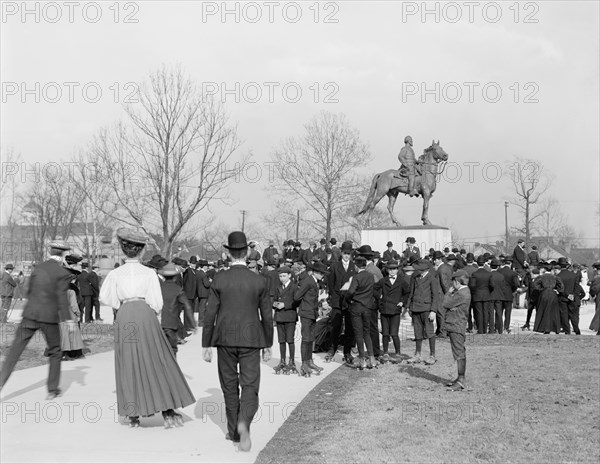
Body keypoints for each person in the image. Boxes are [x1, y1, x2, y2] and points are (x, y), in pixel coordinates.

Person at [100, 228, 195, 428]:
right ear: (141, 251)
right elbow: (157, 302)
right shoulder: (149, 273)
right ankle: (167, 410)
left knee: (128, 361)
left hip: (126, 314)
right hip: (145, 313)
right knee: (157, 359)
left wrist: (122, 304)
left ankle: (133, 414)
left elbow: (106, 298)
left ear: (124, 250)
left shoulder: (115, 273)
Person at [202, 231, 273, 451]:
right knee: (250, 386)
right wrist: (268, 343)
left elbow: (210, 313)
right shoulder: (259, 280)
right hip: (252, 339)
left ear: (229, 253)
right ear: (247, 252)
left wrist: (206, 344)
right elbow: (267, 315)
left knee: (229, 386)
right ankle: (245, 423)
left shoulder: (219, 279)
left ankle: (234, 431)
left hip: (224, 339)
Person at [0, 242, 76, 399]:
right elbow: (62, 298)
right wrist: (68, 320)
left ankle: (1, 382)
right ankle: (52, 390)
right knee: (55, 351)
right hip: (48, 318)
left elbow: (28, 290)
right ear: (62, 255)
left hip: (29, 315)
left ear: (49, 252)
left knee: (15, 351)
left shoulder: (38, 268)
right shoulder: (62, 273)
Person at [294, 261, 329, 377]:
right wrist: (305, 305)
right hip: (306, 313)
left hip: (312, 313)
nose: (322, 275)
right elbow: (297, 296)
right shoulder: (308, 281)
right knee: (305, 338)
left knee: (311, 338)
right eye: (321, 273)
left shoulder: (315, 281)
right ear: (315, 272)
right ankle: (304, 363)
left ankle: (309, 361)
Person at [326, 240, 357, 363]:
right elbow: (331, 284)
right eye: (344, 253)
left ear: (351, 254)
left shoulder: (354, 267)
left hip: (349, 302)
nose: (346, 255)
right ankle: (332, 350)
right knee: (335, 326)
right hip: (337, 301)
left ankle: (347, 352)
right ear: (341, 253)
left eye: (348, 253)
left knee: (349, 327)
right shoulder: (334, 266)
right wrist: (334, 297)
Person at [374, 260, 410, 362]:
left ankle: (398, 353)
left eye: (394, 269)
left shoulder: (402, 281)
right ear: (387, 270)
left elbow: (407, 292)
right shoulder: (383, 280)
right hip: (384, 309)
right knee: (385, 333)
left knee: (394, 333)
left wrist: (402, 302)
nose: (392, 271)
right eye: (390, 269)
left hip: (395, 310)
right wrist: (379, 297)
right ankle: (385, 353)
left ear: (397, 270)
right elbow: (374, 288)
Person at [406, 259, 440, 364]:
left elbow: (435, 296)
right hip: (415, 308)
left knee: (430, 332)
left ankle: (432, 355)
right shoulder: (414, 277)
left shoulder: (432, 279)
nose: (417, 271)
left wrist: (433, 311)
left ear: (425, 269)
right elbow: (411, 292)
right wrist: (408, 306)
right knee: (417, 333)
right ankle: (417, 354)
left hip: (427, 309)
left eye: (419, 269)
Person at [442, 270, 471, 391]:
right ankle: (460, 378)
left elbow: (445, 303)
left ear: (456, 282)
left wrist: (449, 294)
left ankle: (461, 380)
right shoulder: (463, 292)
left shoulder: (461, 293)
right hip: (457, 324)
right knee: (458, 351)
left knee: (459, 352)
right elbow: (450, 306)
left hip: (456, 325)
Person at [346, 256, 377, 369]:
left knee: (358, 334)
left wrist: (348, 298)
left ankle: (362, 359)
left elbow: (350, 291)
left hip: (357, 307)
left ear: (356, 266)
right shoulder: (370, 276)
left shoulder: (356, 277)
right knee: (367, 332)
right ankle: (372, 358)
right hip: (367, 307)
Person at [158, 263, 195, 357]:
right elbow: (188, 306)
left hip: (158, 323)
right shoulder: (178, 289)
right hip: (171, 324)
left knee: (160, 351)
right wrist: (193, 323)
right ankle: (172, 370)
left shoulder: (158, 288)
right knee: (172, 351)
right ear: (175, 277)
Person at [272, 266, 298, 374]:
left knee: (290, 340)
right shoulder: (278, 287)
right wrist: (274, 304)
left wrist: (285, 305)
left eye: (284, 276)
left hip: (290, 316)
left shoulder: (294, 287)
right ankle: (282, 361)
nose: (282, 278)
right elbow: (273, 299)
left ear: (290, 276)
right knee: (281, 340)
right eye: (280, 276)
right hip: (279, 316)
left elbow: (297, 301)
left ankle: (291, 361)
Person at [532, 269, 563, 334]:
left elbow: (535, 285)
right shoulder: (555, 277)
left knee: (542, 310)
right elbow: (561, 287)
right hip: (553, 294)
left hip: (544, 293)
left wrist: (541, 289)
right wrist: (557, 290)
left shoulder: (541, 277)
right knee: (553, 311)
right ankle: (554, 328)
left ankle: (541, 327)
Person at [469, 256, 493, 334]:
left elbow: (472, 286)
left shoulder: (474, 274)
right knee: (486, 312)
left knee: (479, 312)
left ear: (477, 263)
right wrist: (488, 291)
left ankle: (480, 329)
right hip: (486, 294)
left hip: (477, 295)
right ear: (484, 263)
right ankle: (485, 329)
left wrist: (474, 292)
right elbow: (492, 285)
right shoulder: (489, 274)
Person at [556, 257, 580, 335]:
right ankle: (576, 330)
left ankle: (567, 331)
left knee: (564, 315)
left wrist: (567, 295)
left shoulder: (558, 276)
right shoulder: (574, 275)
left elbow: (560, 289)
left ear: (559, 266)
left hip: (563, 298)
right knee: (573, 315)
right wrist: (573, 295)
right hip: (573, 298)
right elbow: (577, 287)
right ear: (567, 265)